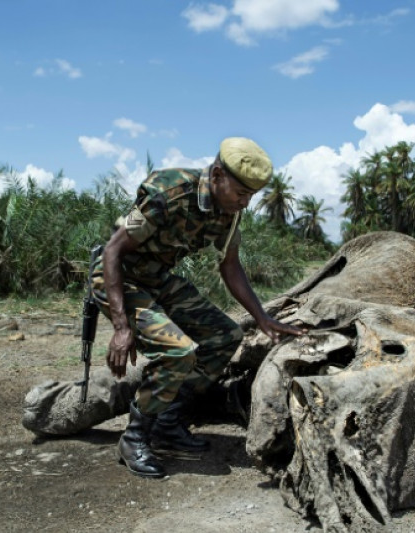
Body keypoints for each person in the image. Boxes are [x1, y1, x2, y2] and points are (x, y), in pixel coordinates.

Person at [90, 137, 305, 478]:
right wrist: (121, 326)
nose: (245, 203)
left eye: (251, 196)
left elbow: (230, 266)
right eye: (240, 193)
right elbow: (112, 252)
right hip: (118, 279)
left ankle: (168, 422)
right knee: (179, 352)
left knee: (225, 336)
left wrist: (262, 318)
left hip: (157, 278)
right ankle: (134, 437)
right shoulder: (168, 191)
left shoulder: (229, 212)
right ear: (217, 175)